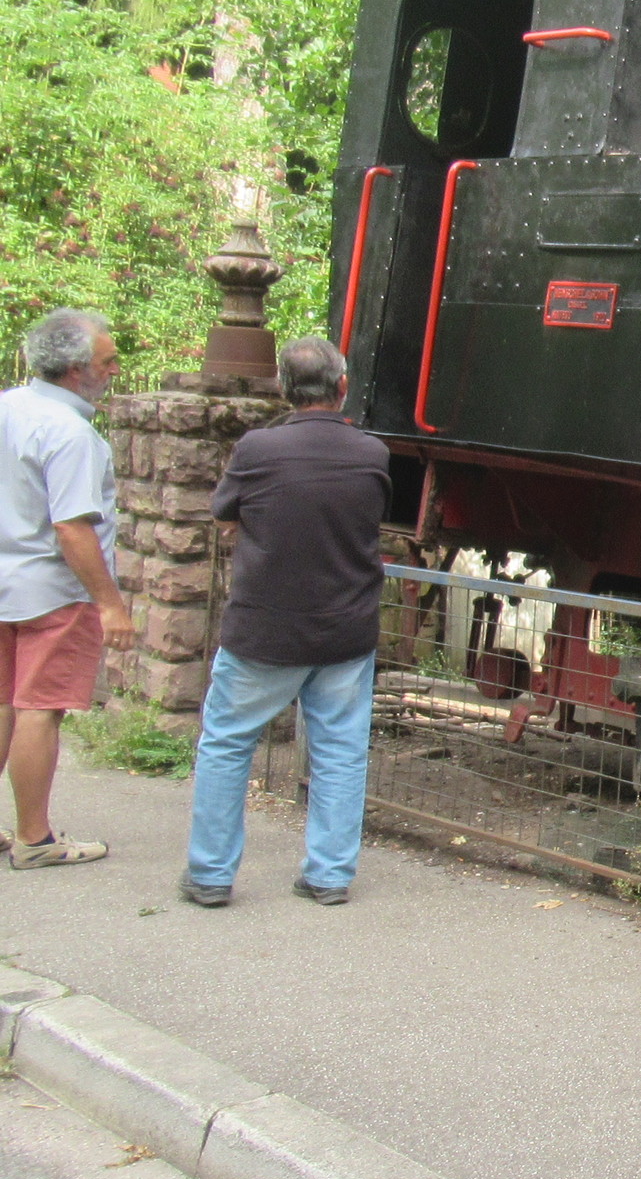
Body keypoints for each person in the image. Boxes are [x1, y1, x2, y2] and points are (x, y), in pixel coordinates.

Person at [181, 337, 390, 908]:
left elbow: (223, 513)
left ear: (283, 388)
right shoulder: (373, 453)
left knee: (227, 744)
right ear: (342, 386)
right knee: (341, 751)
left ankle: (211, 874)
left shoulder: (257, 449)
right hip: (346, 629)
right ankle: (329, 874)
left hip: (265, 629)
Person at [0, 308, 135, 869]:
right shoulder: (72, 433)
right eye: (108, 361)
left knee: (3, 703)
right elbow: (72, 526)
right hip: (54, 591)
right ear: (77, 369)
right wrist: (110, 603)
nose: (115, 370)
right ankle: (34, 839)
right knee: (40, 709)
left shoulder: (7, 406)